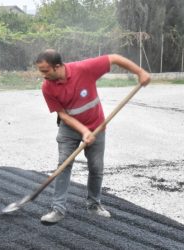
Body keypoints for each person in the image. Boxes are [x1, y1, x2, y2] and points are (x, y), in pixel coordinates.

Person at [36, 49, 150, 224]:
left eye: (45, 71)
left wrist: (140, 72)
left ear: (58, 67)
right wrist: (83, 131)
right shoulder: (47, 87)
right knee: (63, 165)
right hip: (69, 128)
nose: (42, 75)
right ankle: (57, 209)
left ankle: (94, 205)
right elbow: (63, 115)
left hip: (96, 125)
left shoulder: (84, 69)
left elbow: (115, 58)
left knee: (96, 167)